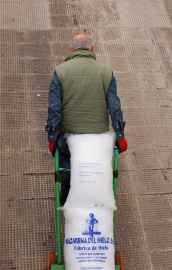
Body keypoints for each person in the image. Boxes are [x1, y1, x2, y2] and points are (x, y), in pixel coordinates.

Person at [45, 34, 128, 203]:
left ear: (71, 49)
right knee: (95, 169)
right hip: (97, 137)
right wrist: (120, 136)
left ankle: (67, 198)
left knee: (66, 165)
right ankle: (95, 199)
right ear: (92, 49)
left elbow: (54, 109)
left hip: (68, 135)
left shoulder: (60, 71)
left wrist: (52, 137)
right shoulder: (106, 72)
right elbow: (115, 107)